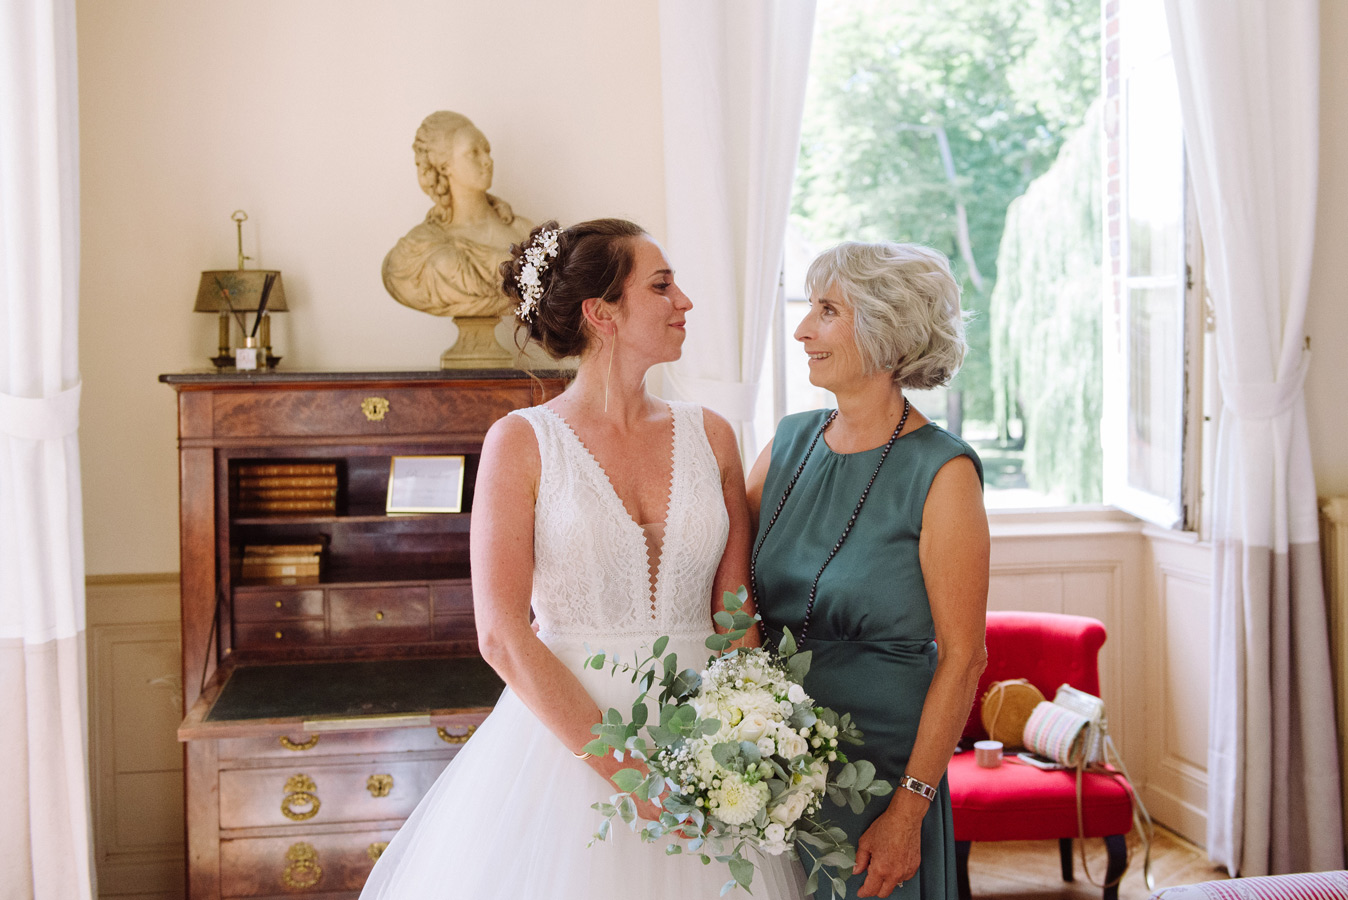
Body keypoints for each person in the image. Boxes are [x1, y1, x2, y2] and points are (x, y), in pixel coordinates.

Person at [360, 219, 808, 899]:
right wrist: (634, 775)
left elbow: (733, 611)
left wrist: (754, 735)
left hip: (703, 743)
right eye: (662, 285)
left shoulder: (712, 434)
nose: (684, 301)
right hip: (566, 748)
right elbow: (502, 634)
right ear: (602, 313)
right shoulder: (521, 443)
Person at [746, 241, 990, 900]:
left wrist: (909, 810)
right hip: (769, 758)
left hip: (882, 772)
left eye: (827, 310)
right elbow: (728, 588)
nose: (802, 329)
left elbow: (965, 657)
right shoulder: (787, 444)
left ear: (884, 330)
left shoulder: (943, 472)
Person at [381, 111, 534, 318]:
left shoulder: (524, 232)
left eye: (487, 151)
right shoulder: (416, 250)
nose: (487, 160)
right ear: (444, 166)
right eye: (473, 152)